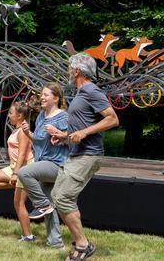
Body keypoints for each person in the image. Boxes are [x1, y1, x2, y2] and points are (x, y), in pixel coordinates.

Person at [50, 53, 119, 260]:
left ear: (78, 71)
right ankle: (80, 241)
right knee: (58, 196)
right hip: (77, 152)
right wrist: (64, 137)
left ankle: (83, 244)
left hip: (88, 155)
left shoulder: (90, 90)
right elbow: (81, 126)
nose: (69, 72)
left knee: (63, 197)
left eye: (70, 68)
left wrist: (85, 132)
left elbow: (113, 119)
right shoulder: (81, 93)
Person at [17, 82, 69, 248]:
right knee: (49, 205)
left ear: (56, 98)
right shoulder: (41, 116)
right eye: (41, 94)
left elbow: (70, 140)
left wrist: (56, 132)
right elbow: (38, 141)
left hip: (57, 164)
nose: (42, 97)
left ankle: (42, 205)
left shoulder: (63, 117)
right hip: (43, 163)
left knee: (24, 173)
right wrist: (27, 133)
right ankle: (55, 242)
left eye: (46, 94)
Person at [0, 101, 35, 242]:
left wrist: (15, 173)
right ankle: (18, 185)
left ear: (19, 116)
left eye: (11, 113)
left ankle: (28, 236)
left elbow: (23, 155)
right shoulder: (16, 129)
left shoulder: (23, 132)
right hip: (14, 166)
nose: (9, 116)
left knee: (18, 203)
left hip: (24, 168)